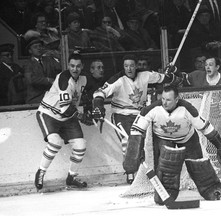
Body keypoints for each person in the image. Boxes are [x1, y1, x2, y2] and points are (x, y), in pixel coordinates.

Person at [123, 84, 221, 204]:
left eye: (168, 100)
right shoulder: (152, 109)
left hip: (187, 138)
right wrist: (133, 151)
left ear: (176, 100)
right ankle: (165, 194)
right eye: (163, 99)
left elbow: (205, 128)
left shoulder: (187, 109)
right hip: (163, 139)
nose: (164, 102)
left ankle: (212, 189)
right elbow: (136, 129)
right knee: (166, 167)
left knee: (198, 164)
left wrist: (220, 146)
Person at [91, 54, 183, 184]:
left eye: (132, 66)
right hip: (121, 114)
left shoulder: (145, 75)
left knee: (147, 140)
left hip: (139, 114)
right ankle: (130, 172)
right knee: (129, 139)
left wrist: (173, 74)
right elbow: (99, 92)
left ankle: (147, 171)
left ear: (136, 66)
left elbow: (164, 79)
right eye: (126, 66)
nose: (129, 69)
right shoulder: (118, 79)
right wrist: (98, 106)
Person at [34, 52, 94, 191]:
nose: (75, 69)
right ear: (68, 66)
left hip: (67, 117)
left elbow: (91, 92)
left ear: (82, 66)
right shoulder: (64, 78)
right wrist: (82, 117)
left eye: (78, 66)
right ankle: (41, 172)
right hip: (49, 113)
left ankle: (71, 178)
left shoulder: (84, 79)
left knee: (80, 144)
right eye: (72, 66)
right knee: (55, 142)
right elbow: (65, 107)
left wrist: (91, 108)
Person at [24, 37, 61, 104]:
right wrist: (48, 80)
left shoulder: (49, 59)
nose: (39, 48)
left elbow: (60, 69)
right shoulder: (28, 64)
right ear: (30, 51)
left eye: (40, 46)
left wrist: (58, 56)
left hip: (51, 97)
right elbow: (30, 79)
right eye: (35, 47)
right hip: (35, 98)